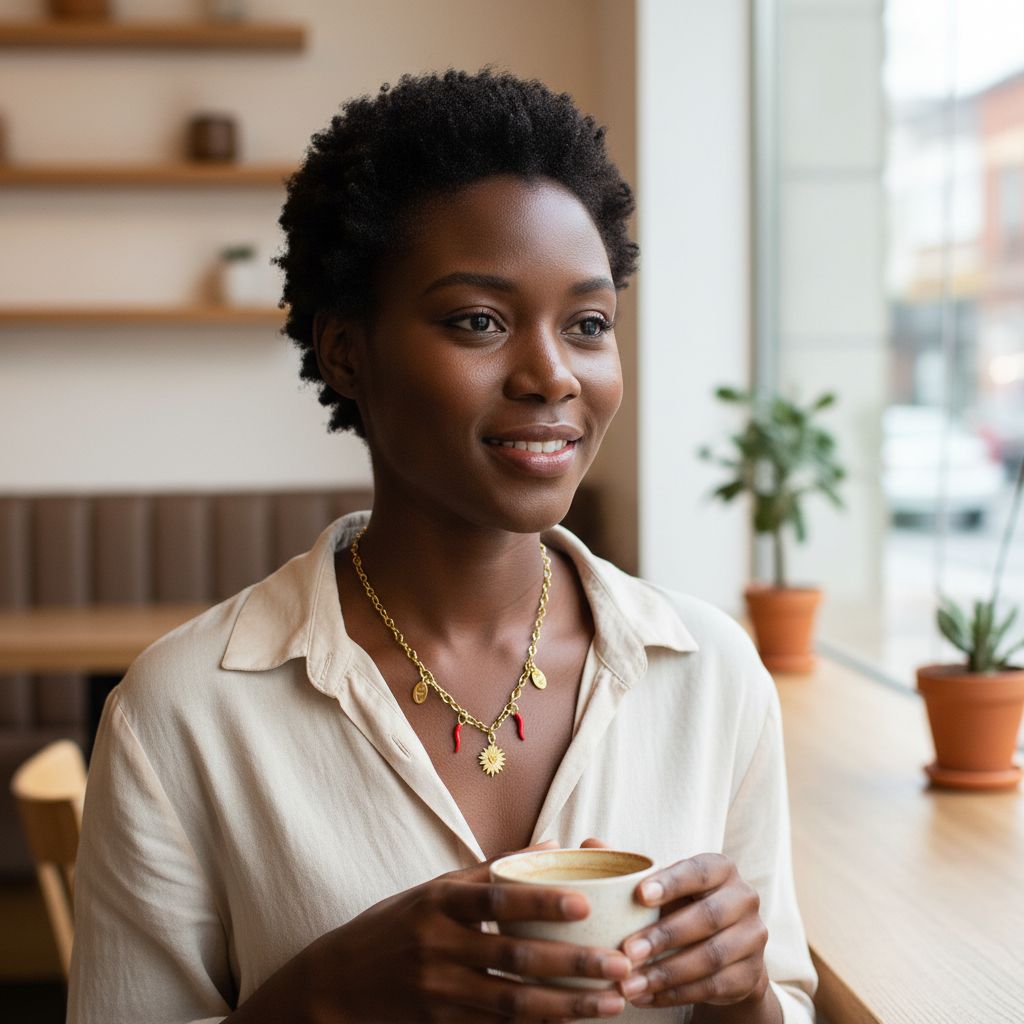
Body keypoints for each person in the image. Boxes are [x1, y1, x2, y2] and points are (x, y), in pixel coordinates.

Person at [68, 68, 817, 1023]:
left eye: (588, 325)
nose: (553, 374)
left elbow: (781, 999)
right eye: (479, 321)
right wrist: (319, 997)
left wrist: (745, 993)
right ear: (347, 352)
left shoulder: (711, 676)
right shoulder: (183, 713)